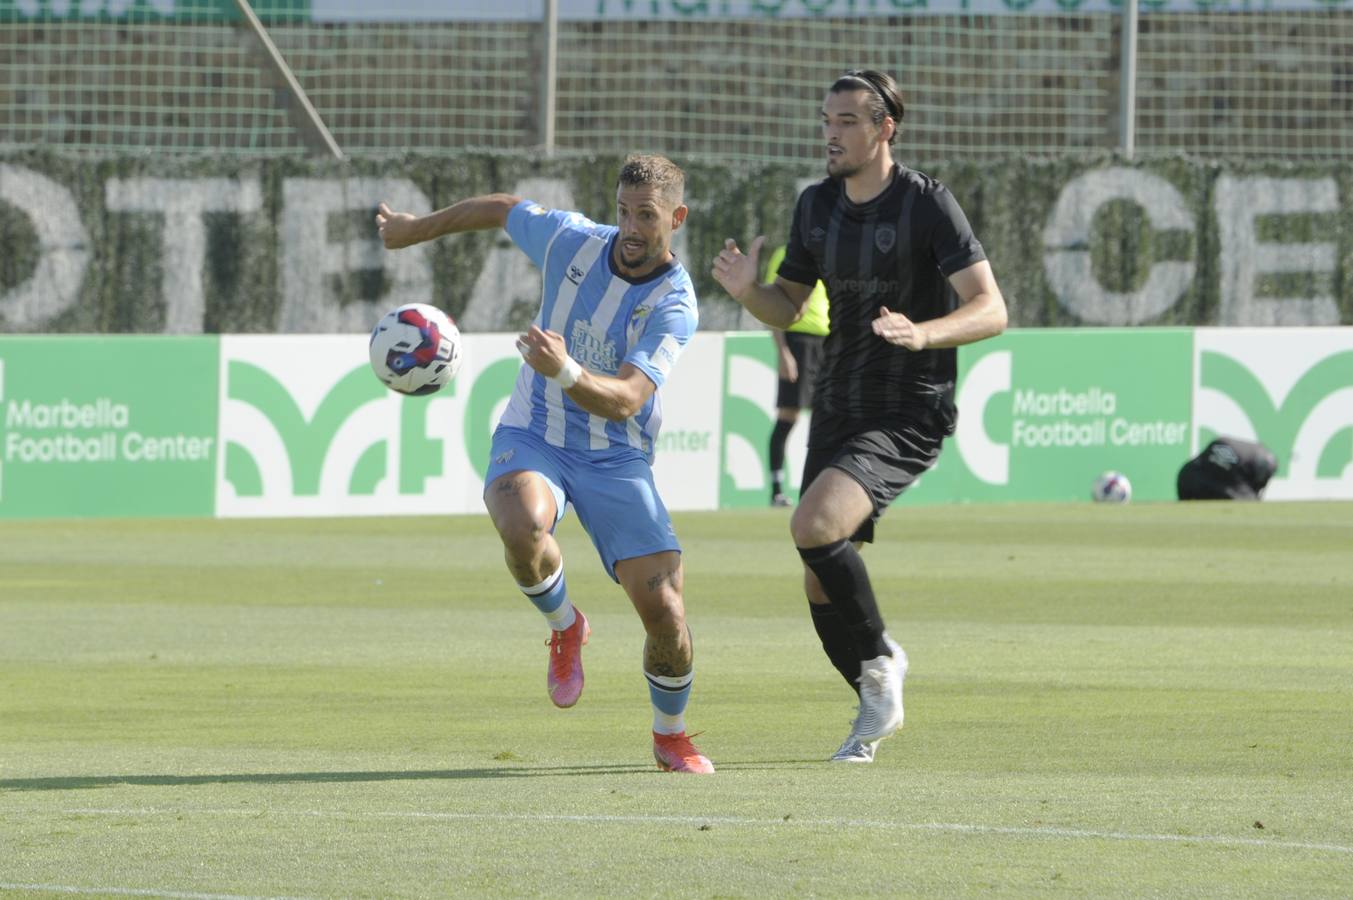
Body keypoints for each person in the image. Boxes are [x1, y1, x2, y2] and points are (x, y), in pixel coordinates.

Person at [377, 153, 713, 775]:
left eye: (647, 216)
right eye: (623, 212)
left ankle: (671, 735)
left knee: (666, 611)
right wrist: (413, 229)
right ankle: (566, 626)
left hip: (618, 456)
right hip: (536, 433)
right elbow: (503, 209)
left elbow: (630, 399)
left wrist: (564, 369)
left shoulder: (675, 302)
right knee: (521, 522)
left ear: (677, 218)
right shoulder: (574, 241)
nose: (632, 228)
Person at [712, 70, 1007, 763]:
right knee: (819, 573)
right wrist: (748, 293)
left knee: (812, 524)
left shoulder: (926, 204)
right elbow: (787, 305)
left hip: (908, 405)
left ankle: (879, 665)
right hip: (838, 403)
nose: (830, 134)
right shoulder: (815, 205)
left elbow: (990, 308)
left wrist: (924, 332)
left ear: (884, 129)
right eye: (825, 120)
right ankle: (871, 700)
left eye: (845, 121)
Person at [763, 244, 829, 508]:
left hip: (826, 340)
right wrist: (783, 352)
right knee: (788, 416)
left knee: (826, 418)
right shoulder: (786, 253)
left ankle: (817, 488)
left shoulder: (832, 250)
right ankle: (777, 490)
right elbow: (771, 305)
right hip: (798, 340)